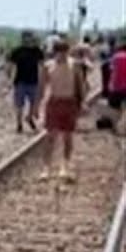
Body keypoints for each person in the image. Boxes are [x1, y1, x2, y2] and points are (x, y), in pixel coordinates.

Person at [40, 40, 88, 181]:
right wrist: (37, 106)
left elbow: (81, 85)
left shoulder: (75, 65)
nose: (62, 55)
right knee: (50, 136)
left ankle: (65, 166)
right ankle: (46, 168)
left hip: (69, 102)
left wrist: (83, 102)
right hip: (54, 102)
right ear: (55, 52)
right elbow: (41, 87)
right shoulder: (48, 66)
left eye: (65, 51)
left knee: (67, 136)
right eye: (59, 52)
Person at [8, 30, 44, 133]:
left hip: (33, 81)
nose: (28, 39)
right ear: (23, 38)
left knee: (34, 103)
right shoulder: (17, 51)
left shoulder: (37, 51)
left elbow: (42, 65)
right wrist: (10, 79)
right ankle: (19, 124)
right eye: (26, 37)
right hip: (20, 81)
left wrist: (42, 79)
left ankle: (29, 117)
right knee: (19, 105)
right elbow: (11, 66)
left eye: (30, 37)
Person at [109, 39, 126, 134]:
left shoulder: (115, 56)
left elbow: (111, 69)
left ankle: (116, 126)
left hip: (116, 86)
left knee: (115, 108)